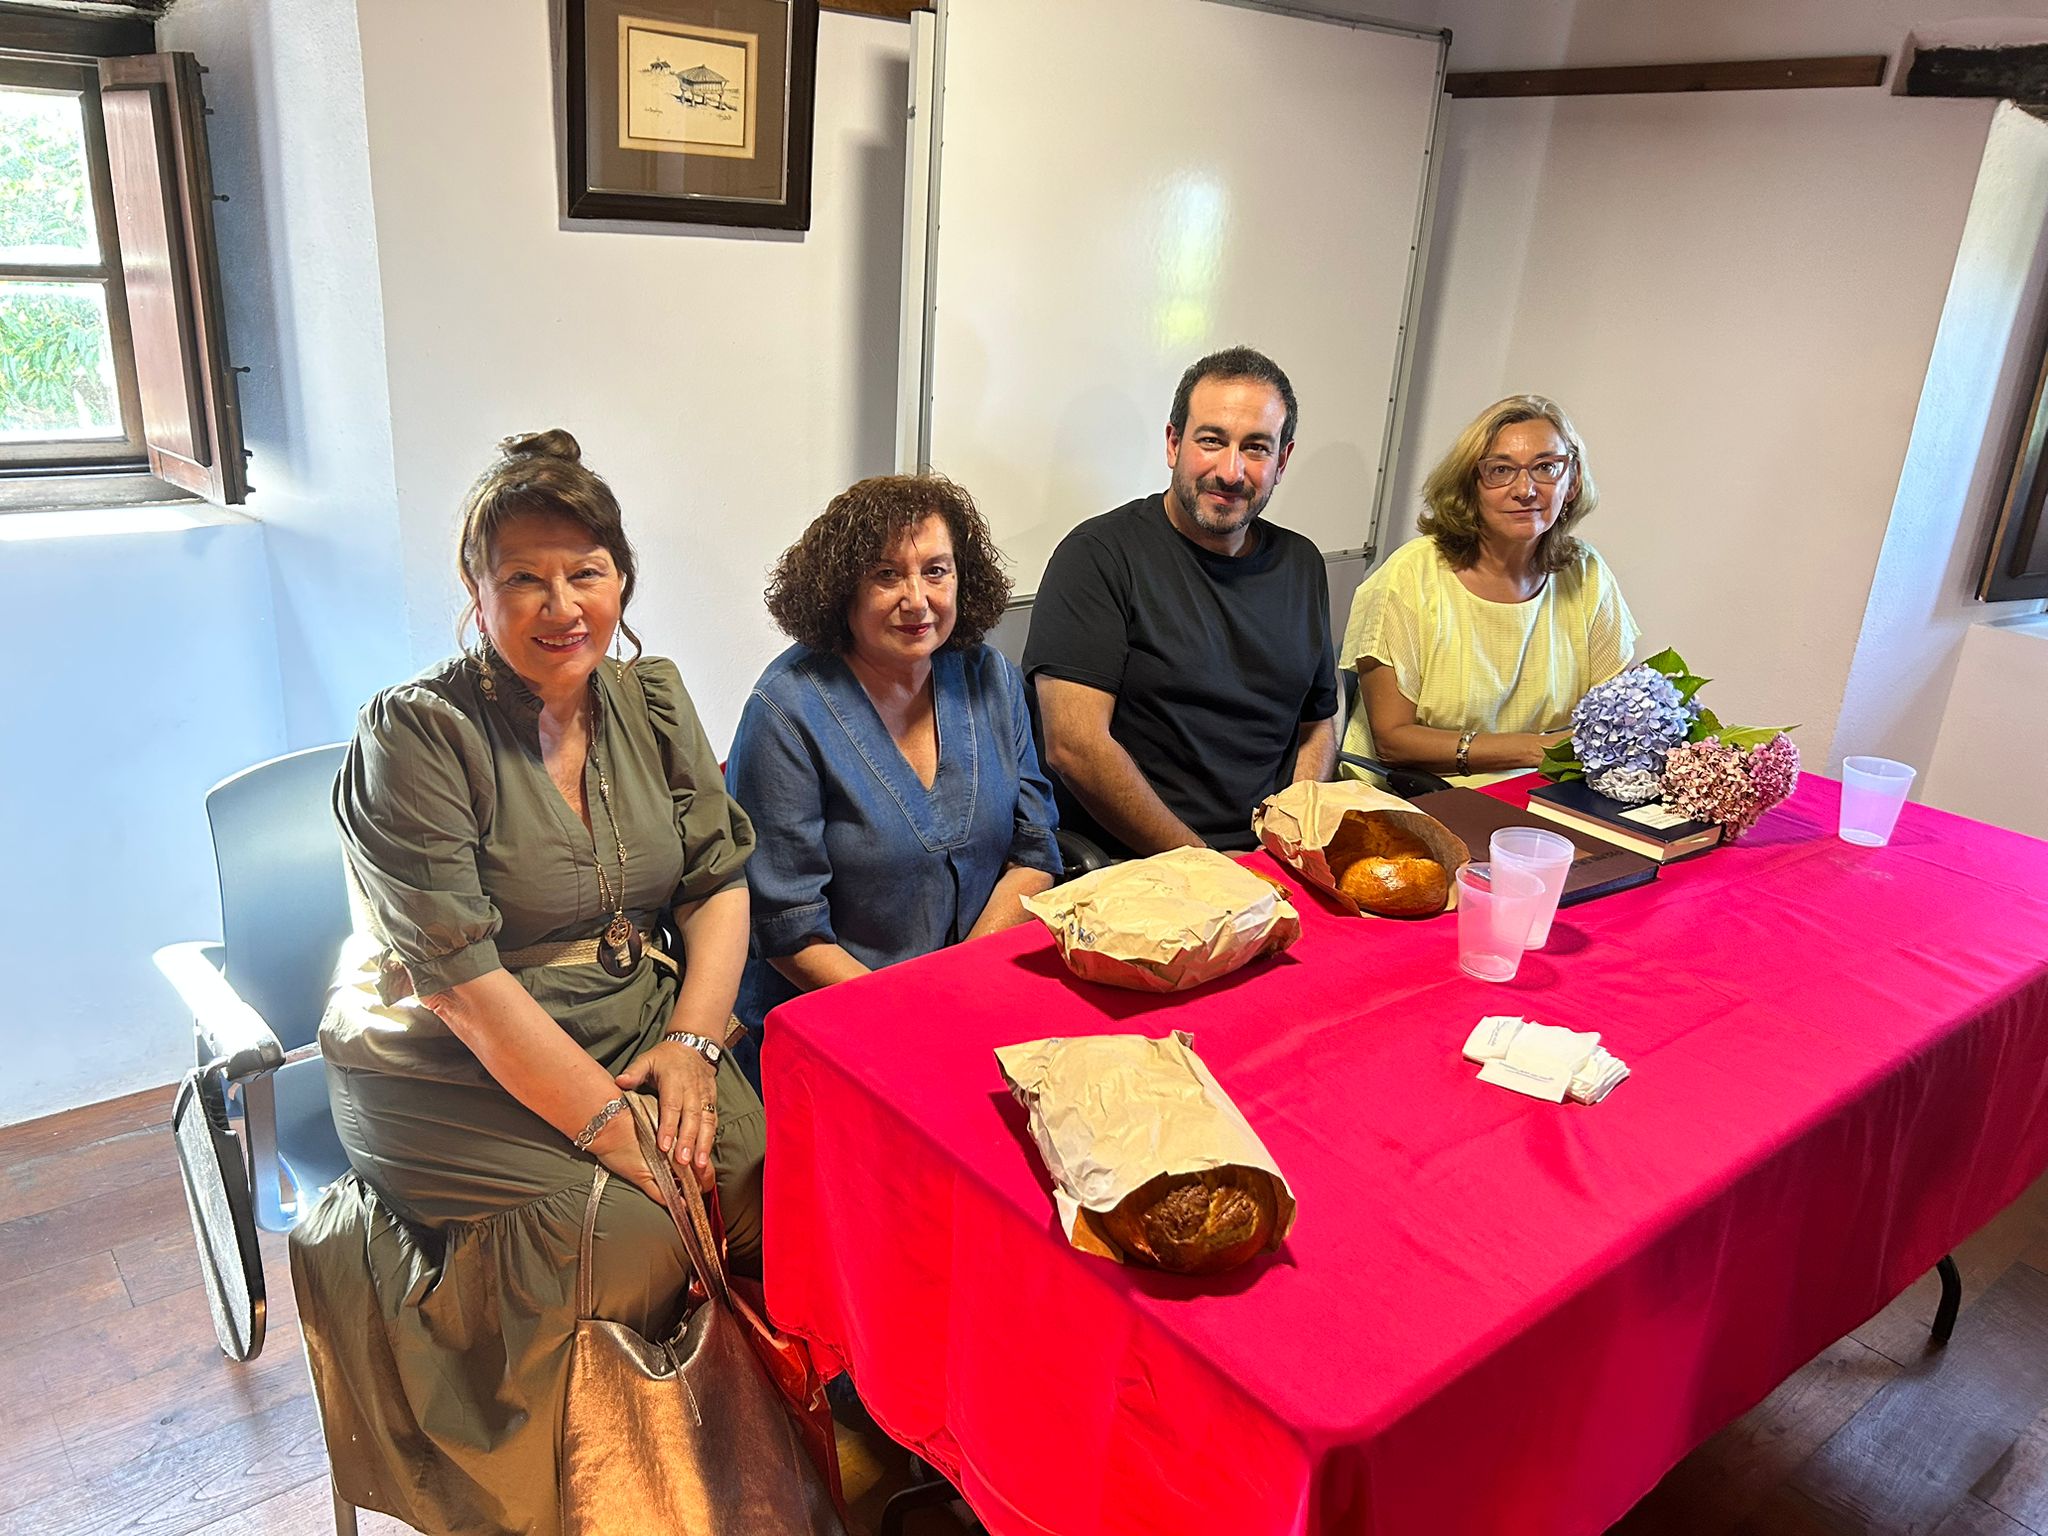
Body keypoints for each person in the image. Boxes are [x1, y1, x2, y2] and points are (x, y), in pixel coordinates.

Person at [289, 430, 766, 1536]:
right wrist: (608, 1125)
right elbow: (460, 987)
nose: (561, 606)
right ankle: (555, 1498)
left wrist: (692, 1045)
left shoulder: (651, 698)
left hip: (630, 1019)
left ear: (621, 579)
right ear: (476, 594)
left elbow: (717, 886)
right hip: (442, 1057)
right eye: (523, 580)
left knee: (752, 1180)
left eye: (585, 572)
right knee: (631, 1235)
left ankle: (704, 1469)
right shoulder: (418, 734)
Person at [725, 474, 1060, 1086]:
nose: (917, 600)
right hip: (841, 1030)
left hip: (981, 1000)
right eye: (886, 575)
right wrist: (916, 1015)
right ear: (841, 589)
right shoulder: (786, 711)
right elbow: (788, 930)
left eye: (936, 571)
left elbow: (1034, 851)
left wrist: (960, 985)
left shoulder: (990, 677)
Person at [1023, 346, 1338, 859]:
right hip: (1148, 864)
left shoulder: (1302, 564)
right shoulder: (1098, 557)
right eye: (1211, 441)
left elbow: (1318, 723)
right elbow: (1075, 747)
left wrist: (1294, 833)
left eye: (1256, 448)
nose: (1231, 471)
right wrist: (1208, 866)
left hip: (1275, 853)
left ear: (1282, 461)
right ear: (1173, 443)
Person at [1340, 394, 1639, 786]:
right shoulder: (1409, 576)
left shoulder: (1587, 572)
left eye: (1546, 467)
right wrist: (1538, 749)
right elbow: (1393, 742)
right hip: (1416, 795)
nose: (1525, 490)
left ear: (1572, 481)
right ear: (1470, 485)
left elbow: (1619, 713)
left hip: (1544, 791)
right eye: (1501, 470)